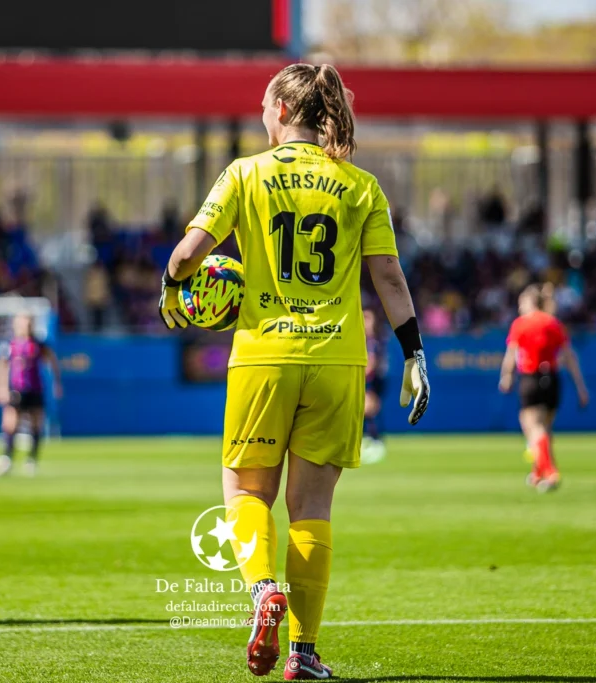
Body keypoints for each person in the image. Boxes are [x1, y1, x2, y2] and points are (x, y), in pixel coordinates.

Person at [158, 64, 430, 680]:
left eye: (262, 104)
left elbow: (185, 255)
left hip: (263, 355)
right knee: (313, 509)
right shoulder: (361, 185)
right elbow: (388, 277)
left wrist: (171, 289)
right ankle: (304, 654)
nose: (259, 113)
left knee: (248, 492)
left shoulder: (244, 173)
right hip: (337, 359)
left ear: (282, 109)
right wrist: (414, 352)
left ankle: (262, 592)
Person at [499, 283, 589, 492]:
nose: (520, 306)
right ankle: (537, 473)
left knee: (532, 425)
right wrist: (581, 387)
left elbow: (511, 354)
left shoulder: (521, 324)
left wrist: (506, 377)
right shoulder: (553, 323)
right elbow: (569, 356)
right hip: (553, 379)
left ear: (530, 302)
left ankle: (550, 472)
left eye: (522, 302)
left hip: (531, 377)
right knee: (545, 430)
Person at [0, 311, 63, 479]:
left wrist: (56, 382)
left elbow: (52, 360)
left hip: (35, 389)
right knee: (10, 424)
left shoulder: (39, 343)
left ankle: (31, 460)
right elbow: (2, 366)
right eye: (23, 321)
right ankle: (7, 459)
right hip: (16, 388)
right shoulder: (10, 344)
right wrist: (1, 388)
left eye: (28, 322)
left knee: (36, 424)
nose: (26, 325)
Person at [360, 309, 389, 465]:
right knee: (366, 411)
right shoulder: (362, 338)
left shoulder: (375, 340)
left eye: (367, 317)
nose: (365, 321)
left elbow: (372, 363)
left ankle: (376, 442)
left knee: (370, 409)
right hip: (367, 380)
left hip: (373, 380)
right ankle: (372, 440)